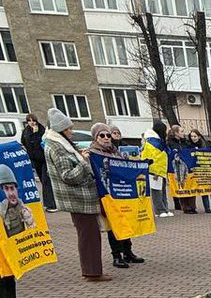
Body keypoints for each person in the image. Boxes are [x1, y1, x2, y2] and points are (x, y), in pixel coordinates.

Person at [43, 105, 111, 282]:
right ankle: (92, 272)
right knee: (88, 236)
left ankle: (92, 270)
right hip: (78, 199)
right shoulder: (56, 147)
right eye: (68, 129)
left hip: (81, 198)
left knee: (90, 234)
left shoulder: (61, 144)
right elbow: (68, 176)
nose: (71, 132)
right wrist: (83, 162)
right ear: (60, 130)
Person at [89, 123, 144, 268]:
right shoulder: (93, 154)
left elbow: (125, 167)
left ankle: (128, 252)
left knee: (125, 221)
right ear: (95, 137)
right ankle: (117, 255)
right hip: (106, 194)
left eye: (108, 135)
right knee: (112, 226)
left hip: (120, 193)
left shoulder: (115, 151)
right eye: (102, 135)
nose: (106, 138)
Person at [0, 167, 42, 298]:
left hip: (8, 248)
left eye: (12, 188)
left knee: (9, 278)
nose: (11, 193)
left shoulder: (18, 207)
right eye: (6, 189)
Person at [21, 114, 56, 212]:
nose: (32, 123)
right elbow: (24, 142)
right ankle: (52, 201)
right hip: (35, 160)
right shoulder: (26, 131)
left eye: (33, 120)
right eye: (29, 121)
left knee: (46, 181)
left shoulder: (41, 130)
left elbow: (41, 143)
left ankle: (51, 205)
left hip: (44, 159)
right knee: (42, 180)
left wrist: (35, 134)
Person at [143, 119, 173, 218]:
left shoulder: (160, 142)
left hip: (162, 169)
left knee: (163, 190)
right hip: (154, 170)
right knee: (157, 191)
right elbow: (150, 156)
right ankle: (159, 210)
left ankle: (165, 208)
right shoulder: (151, 142)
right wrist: (154, 170)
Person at [188, 129, 211, 214]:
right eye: (191, 136)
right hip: (199, 170)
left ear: (199, 136)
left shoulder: (206, 143)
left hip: (209, 168)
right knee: (203, 188)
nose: (193, 138)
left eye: (195, 136)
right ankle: (207, 207)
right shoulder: (190, 146)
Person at [167, 124, 196, 215]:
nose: (183, 133)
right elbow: (169, 154)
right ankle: (186, 207)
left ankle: (193, 206)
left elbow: (190, 149)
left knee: (190, 185)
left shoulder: (185, 142)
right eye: (181, 131)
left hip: (188, 166)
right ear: (176, 133)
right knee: (181, 185)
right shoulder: (170, 143)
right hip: (177, 168)